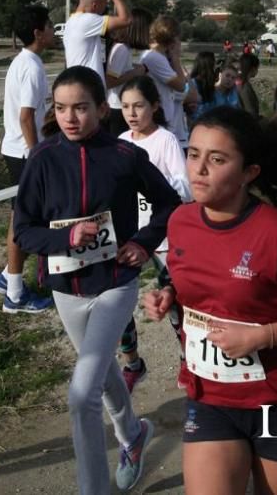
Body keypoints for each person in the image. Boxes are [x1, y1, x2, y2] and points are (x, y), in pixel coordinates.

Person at [142, 105, 277, 494]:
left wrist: (261, 337)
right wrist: (169, 296)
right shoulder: (181, 222)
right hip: (211, 395)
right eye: (193, 154)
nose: (199, 169)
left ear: (250, 173)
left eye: (217, 159)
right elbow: (195, 281)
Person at [13, 67, 182, 493]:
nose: (71, 118)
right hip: (65, 289)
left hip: (115, 284)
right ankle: (133, 436)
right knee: (102, 373)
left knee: (81, 394)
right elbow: (23, 229)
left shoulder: (125, 157)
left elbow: (168, 205)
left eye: (81, 108)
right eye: (62, 108)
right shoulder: (43, 159)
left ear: (101, 109)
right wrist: (64, 238)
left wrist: (143, 244)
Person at [116, 76, 193, 393]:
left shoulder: (167, 140)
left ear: (155, 106)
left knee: (174, 302)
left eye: (138, 106)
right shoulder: (120, 141)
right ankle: (133, 363)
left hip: (161, 236)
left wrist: (157, 189)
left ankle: (189, 359)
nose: (132, 113)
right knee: (118, 304)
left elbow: (184, 187)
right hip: (125, 237)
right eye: (125, 107)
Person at [0, 4, 55, 313]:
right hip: (23, 152)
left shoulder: (25, 61)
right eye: (51, 26)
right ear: (38, 32)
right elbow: (26, 116)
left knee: (25, 217)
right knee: (22, 221)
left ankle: (6, 277)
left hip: (18, 150)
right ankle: (14, 295)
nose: (54, 31)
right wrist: (37, 153)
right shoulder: (31, 66)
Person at [63, 0, 132, 87]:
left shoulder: (71, 21)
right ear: (94, 6)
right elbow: (126, 20)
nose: (105, 9)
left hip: (80, 83)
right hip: (90, 87)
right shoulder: (87, 20)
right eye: (104, 5)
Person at [141, 15, 192, 150]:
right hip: (159, 115)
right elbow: (181, 85)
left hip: (166, 114)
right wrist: (175, 57)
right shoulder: (155, 58)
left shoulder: (159, 57)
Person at [105, 8, 152, 134]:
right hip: (117, 108)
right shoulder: (122, 49)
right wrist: (136, 73)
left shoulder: (124, 49)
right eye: (148, 29)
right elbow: (110, 81)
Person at [237, 52, 261, 117]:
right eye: (257, 68)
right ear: (253, 69)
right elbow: (250, 111)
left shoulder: (237, 81)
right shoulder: (245, 87)